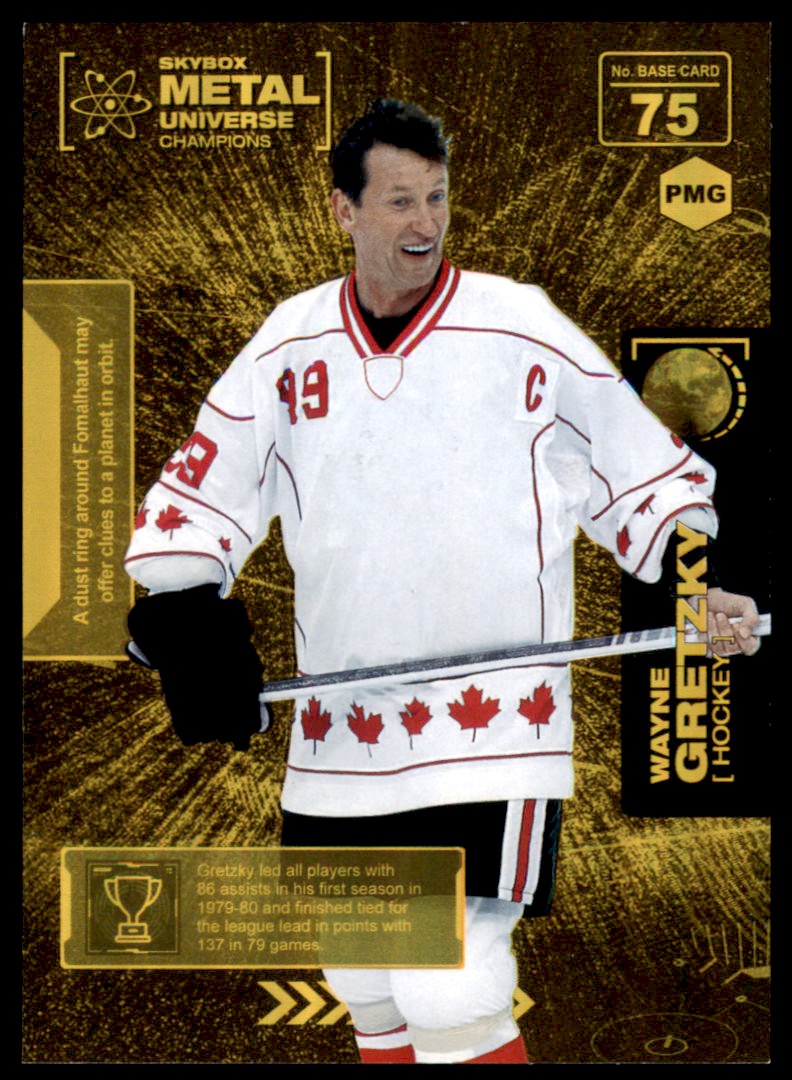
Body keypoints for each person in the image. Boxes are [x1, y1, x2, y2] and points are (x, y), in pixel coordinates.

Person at [124, 98, 761, 1065]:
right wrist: (181, 617)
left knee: (449, 976)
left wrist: (694, 588)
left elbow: (643, 472)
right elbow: (202, 490)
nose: (425, 222)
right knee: (364, 977)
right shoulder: (291, 342)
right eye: (399, 201)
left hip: (493, 726)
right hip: (341, 730)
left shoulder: (520, 326)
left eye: (437, 197)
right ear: (343, 210)